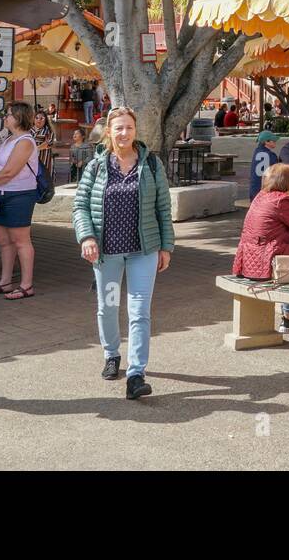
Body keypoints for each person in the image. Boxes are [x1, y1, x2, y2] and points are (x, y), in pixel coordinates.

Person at [74, 107, 175, 400]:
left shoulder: (151, 165)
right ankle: (111, 353)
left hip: (143, 250)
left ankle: (136, 373)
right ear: (109, 131)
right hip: (106, 253)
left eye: (129, 128)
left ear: (135, 131)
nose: (124, 133)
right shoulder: (96, 166)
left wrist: (166, 246)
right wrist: (87, 237)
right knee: (107, 306)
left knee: (139, 311)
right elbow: (80, 206)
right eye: (118, 128)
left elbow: (163, 208)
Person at [233, 163, 289, 342]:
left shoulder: (262, 196)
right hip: (267, 264)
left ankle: (288, 320)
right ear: (287, 183)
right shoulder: (282, 200)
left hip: (248, 263)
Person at [0, 102, 41, 299]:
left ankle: (26, 285)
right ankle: (5, 281)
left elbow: (10, 171)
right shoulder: (9, 139)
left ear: (19, 117)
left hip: (19, 195)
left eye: (9, 115)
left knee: (21, 240)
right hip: (1, 194)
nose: (5, 117)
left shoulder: (25, 141)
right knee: (4, 240)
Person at [250, 131, 279, 200]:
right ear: (267, 142)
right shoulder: (272, 155)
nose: (275, 141)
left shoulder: (256, 152)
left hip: (254, 193)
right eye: (273, 140)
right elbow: (278, 173)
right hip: (266, 194)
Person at [31, 108, 55, 174]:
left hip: (43, 158)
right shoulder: (28, 131)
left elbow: (47, 144)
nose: (39, 120)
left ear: (45, 120)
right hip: (30, 159)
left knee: (43, 178)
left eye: (42, 118)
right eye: (37, 118)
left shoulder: (48, 131)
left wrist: (34, 149)